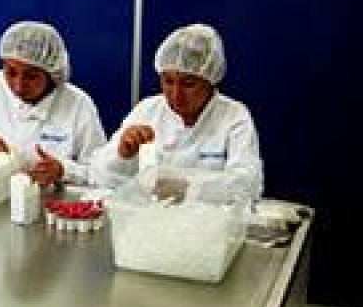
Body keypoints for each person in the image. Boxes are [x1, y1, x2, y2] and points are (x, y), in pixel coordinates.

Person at [35, 24, 263, 202]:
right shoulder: (148, 110)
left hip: (208, 228)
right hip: (149, 224)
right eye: (168, 81)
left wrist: (185, 187)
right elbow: (99, 177)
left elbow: (247, 186)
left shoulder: (234, 117)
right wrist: (122, 154)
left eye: (188, 83)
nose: (176, 94)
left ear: (210, 80)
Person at [0, 21, 106, 185]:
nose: (18, 86)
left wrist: (64, 171)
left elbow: (102, 174)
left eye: (31, 76)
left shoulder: (77, 104)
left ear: (51, 73)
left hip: (51, 200)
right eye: (10, 72)